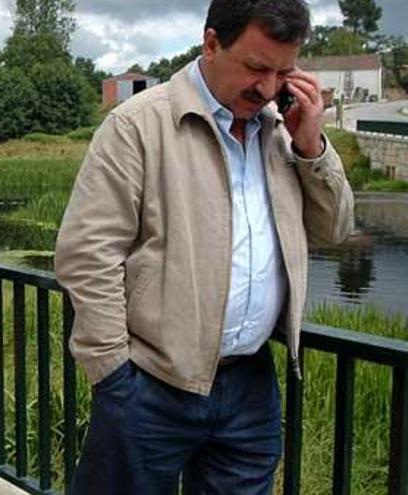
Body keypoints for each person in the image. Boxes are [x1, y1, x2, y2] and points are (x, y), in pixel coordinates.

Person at [54, 1, 355, 493]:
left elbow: (334, 229)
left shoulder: (284, 130)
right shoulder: (138, 125)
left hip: (249, 385)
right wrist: (113, 377)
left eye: (283, 72)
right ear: (211, 44)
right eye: (256, 67)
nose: (268, 87)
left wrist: (311, 148)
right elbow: (88, 255)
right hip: (150, 383)